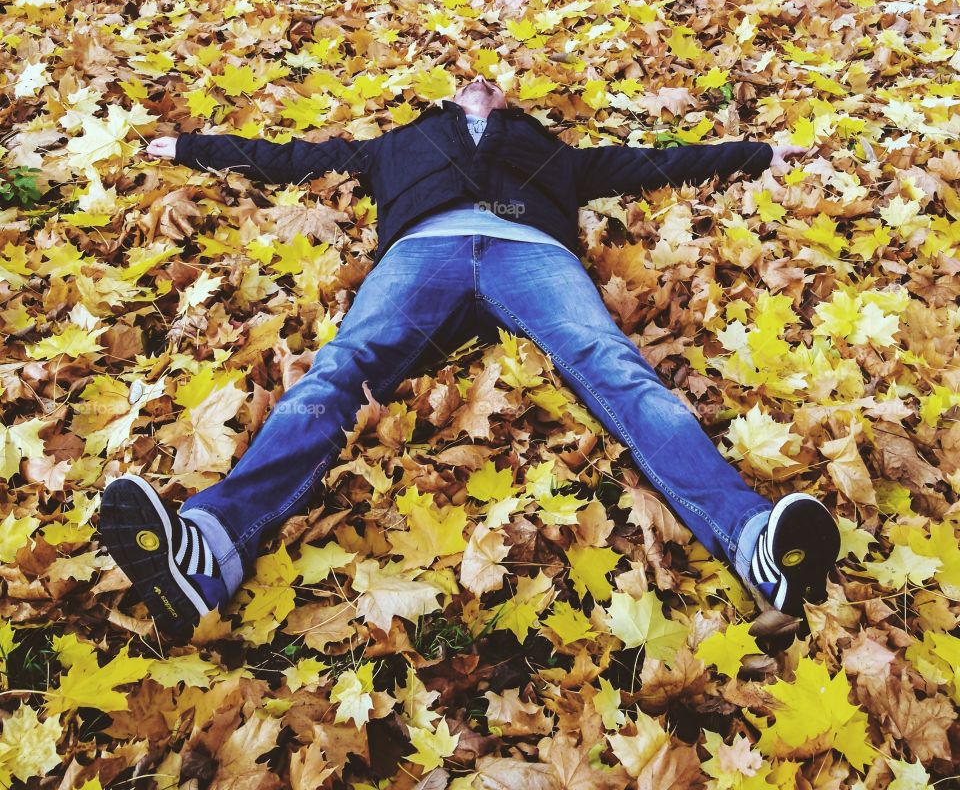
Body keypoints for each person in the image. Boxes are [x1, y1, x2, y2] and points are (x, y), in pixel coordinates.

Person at [98, 74, 840, 638]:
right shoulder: (399, 142)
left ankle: (753, 544)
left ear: (506, 99)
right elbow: (292, 155)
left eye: (494, 75)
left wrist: (762, 152)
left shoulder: (548, 148)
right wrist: (191, 146)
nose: (480, 77)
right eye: (466, 76)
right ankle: (210, 548)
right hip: (423, 253)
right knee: (342, 367)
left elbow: (649, 162)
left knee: (616, 366)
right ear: (451, 100)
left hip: (535, 257)